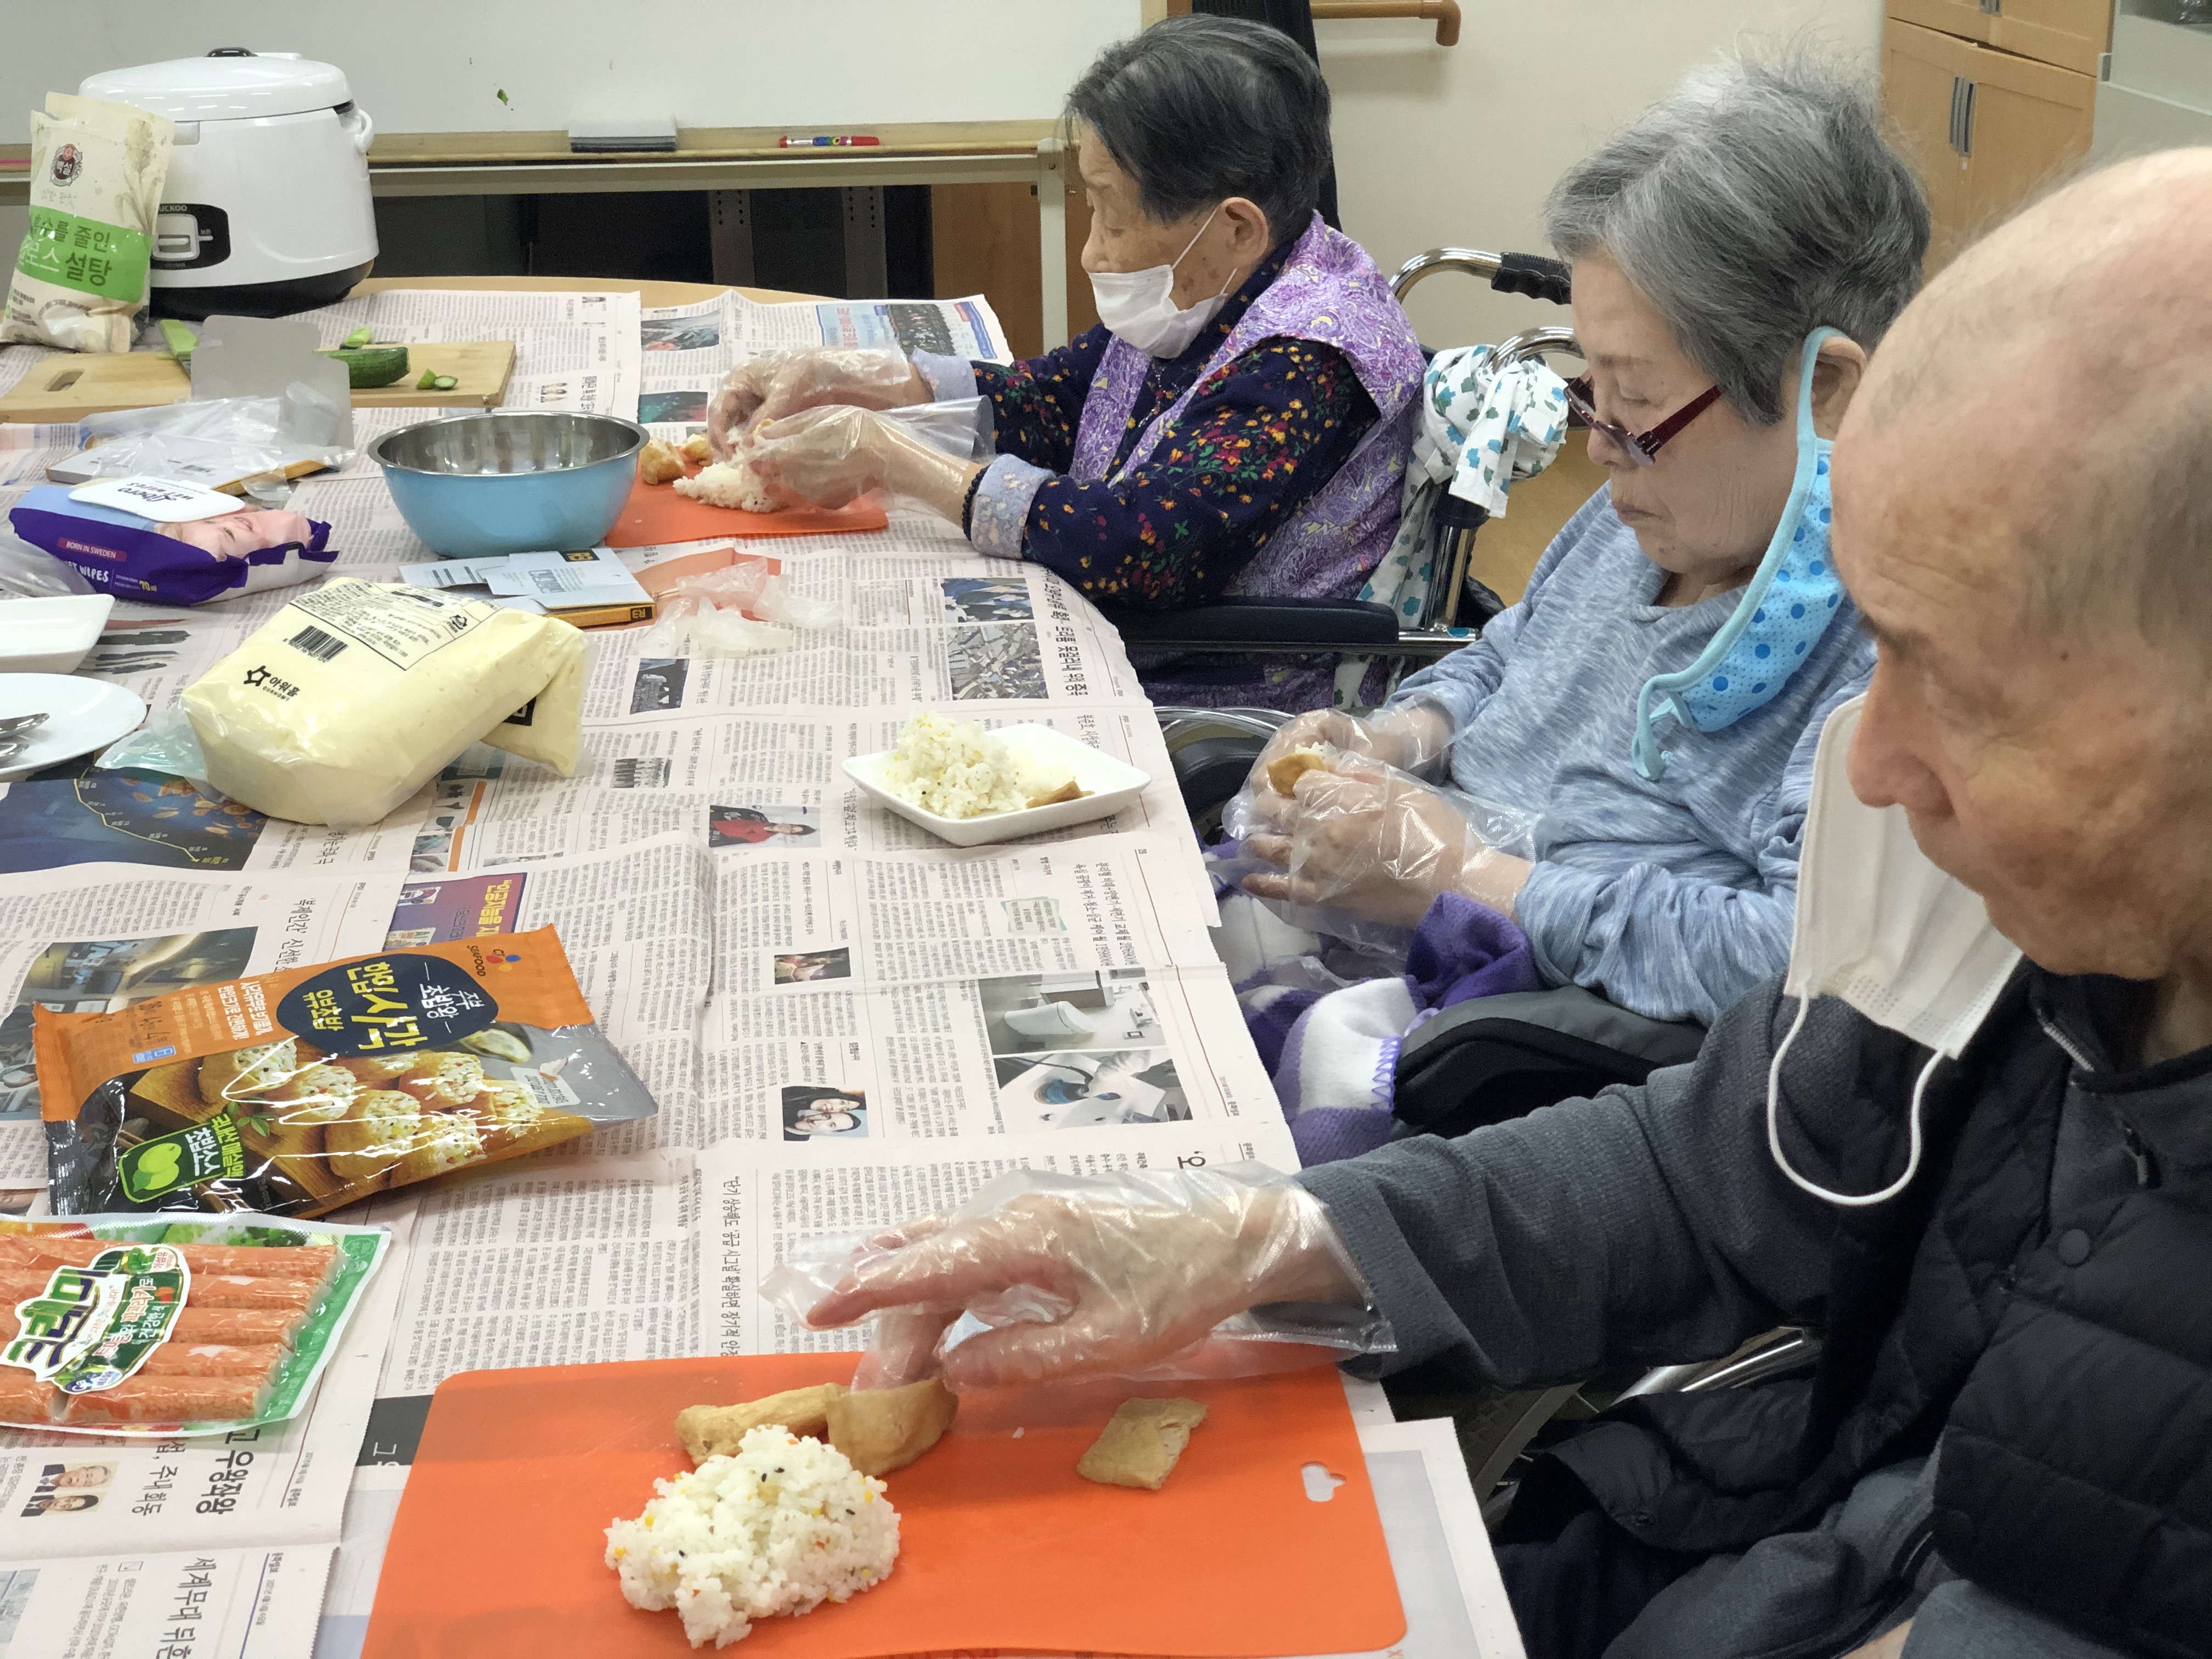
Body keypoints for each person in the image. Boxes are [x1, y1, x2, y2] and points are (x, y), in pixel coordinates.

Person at [803, 150, 2212, 1659]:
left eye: (1965, 686)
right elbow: (1716, 1175)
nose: (1872, 768)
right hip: (1744, 1513)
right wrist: (1254, 1237)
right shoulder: (2024, 937)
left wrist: (1469, 878)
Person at [1218, 54, 1921, 1156]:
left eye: (1634, 400)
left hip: (1501, 1049)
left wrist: (1464, 879)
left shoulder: (1887, 652)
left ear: (1825, 392)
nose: (1600, 450)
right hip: (1386, 919)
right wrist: (1397, 736)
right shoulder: (1648, 503)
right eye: (1594, 389)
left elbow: (1796, 956)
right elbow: (1511, 652)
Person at [706, 16, 1424, 709]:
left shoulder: (1307, 360)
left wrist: (893, 459)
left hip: (1208, 689)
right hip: (1113, 630)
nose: (1091, 252)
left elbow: (1145, 544)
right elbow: (1058, 398)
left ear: (1235, 227)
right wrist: (854, 378)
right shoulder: (1219, 283)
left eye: (1113, 215)